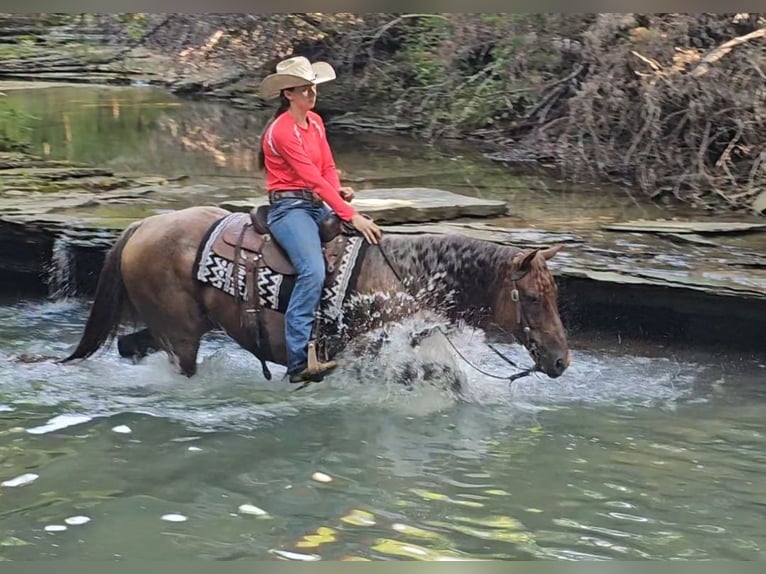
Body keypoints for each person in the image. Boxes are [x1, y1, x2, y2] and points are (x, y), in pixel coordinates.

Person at [257, 56, 382, 384]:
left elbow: (326, 168)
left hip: (315, 202)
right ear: (289, 94)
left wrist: (338, 191)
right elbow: (311, 179)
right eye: (305, 89)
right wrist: (350, 215)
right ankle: (298, 361)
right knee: (312, 270)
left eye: (313, 87)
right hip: (289, 209)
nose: (312, 93)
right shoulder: (282, 131)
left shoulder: (315, 122)